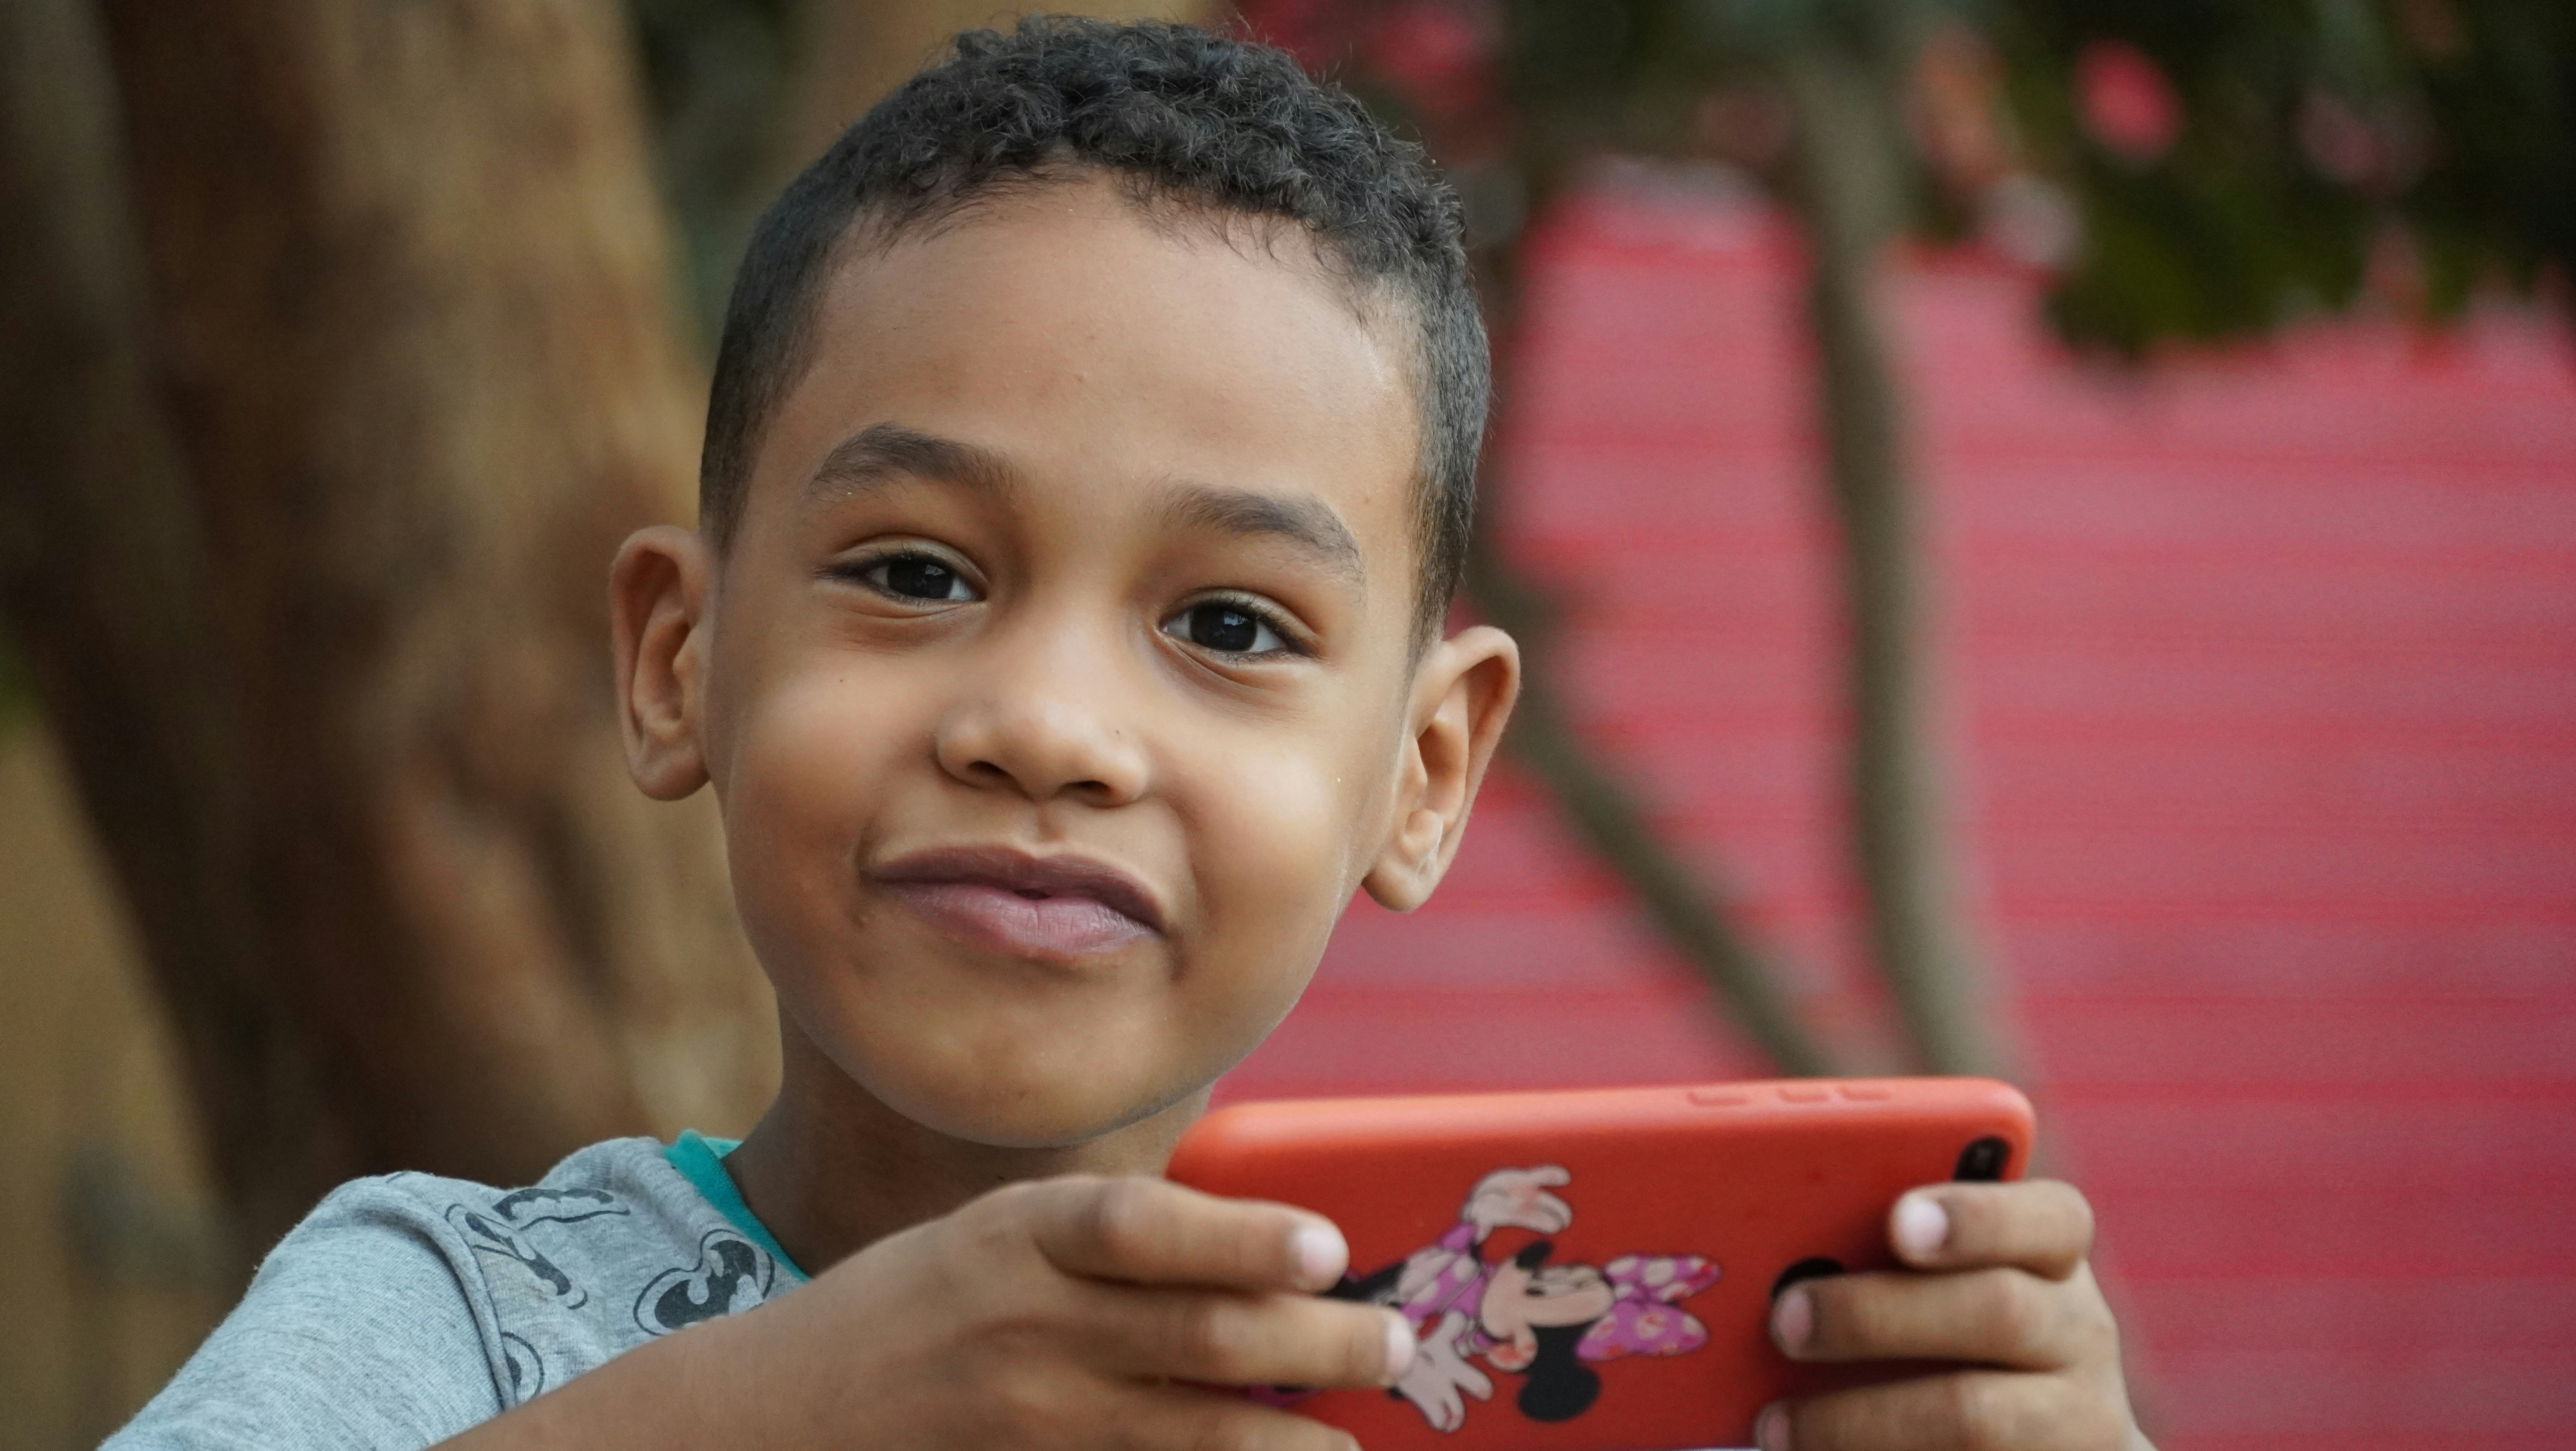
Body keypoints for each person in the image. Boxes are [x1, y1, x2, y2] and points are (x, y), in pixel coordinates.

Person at [106, 18, 2150, 1451]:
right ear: (677, 658)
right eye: (914, 572)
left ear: (1424, 770)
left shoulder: (1532, 1379)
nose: (1050, 727)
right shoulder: (440, 1326)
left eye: (1231, 622)